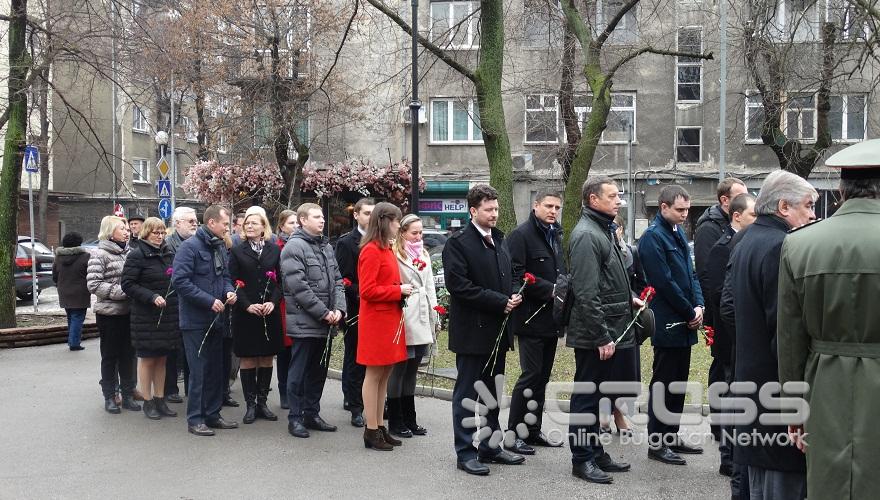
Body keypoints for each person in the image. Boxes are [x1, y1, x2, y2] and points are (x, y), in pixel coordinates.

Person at [777, 140, 880, 500]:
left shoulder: (799, 244)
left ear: (840, 189)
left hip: (823, 385)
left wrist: (793, 407)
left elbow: (790, 338)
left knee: (828, 485)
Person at [726, 170, 816, 499]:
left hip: (752, 383)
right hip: (775, 392)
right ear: (783, 206)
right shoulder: (782, 246)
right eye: (807, 205)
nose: (812, 214)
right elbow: (785, 331)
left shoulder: (748, 238)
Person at [443, 184, 525, 476]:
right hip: (472, 333)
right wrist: (499, 301)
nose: (494, 214)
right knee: (467, 394)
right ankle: (465, 452)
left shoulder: (498, 239)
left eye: (496, 208)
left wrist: (514, 293)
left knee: (491, 393)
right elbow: (459, 286)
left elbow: (509, 274)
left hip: (498, 332)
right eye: (489, 209)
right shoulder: (459, 242)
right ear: (473, 210)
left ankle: (490, 446)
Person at [566, 177, 637, 484]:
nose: (618, 200)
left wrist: (627, 298)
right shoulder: (586, 234)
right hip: (596, 333)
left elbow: (607, 280)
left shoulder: (602, 229)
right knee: (586, 396)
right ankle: (582, 459)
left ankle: (595, 453)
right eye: (612, 195)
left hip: (610, 324)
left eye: (618, 195)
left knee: (597, 396)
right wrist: (601, 335)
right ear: (594, 200)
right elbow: (585, 292)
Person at [638, 185, 705, 465]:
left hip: (686, 319)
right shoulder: (653, 237)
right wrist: (690, 310)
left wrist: (699, 305)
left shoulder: (678, 233)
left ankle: (671, 433)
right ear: (663, 207)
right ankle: (658, 441)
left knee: (678, 382)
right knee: (664, 382)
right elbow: (663, 282)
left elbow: (691, 275)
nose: (684, 214)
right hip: (668, 320)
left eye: (687, 210)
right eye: (680, 210)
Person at [504, 191, 566, 455]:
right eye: (548, 206)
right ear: (536, 206)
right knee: (529, 376)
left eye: (557, 207)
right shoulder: (521, 235)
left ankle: (532, 430)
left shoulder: (555, 235)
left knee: (542, 378)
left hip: (551, 319)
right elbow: (516, 274)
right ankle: (513, 434)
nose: (553, 211)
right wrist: (550, 289)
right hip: (530, 318)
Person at [173, 204, 239, 437]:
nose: (227, 227)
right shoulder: (189, 248)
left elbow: (226, 277)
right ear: (211, 223)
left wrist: (229, 292)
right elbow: (180, 282)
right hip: (195, 321)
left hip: (216, 319)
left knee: (215, 370)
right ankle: (195, 419)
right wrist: (209, 300)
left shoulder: (219, 246)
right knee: (199, 371)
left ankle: (213, 414)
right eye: (224, 223)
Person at [703, 192, 756, 478]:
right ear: (737, 216)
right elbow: (719, 295)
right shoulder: (724, 246)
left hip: (735, 337)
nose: (757, 221)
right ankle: (728, 457)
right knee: (730, 394)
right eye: (752, 215)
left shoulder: (742, 242)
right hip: (728, 337)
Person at [281, 202, 345, 438]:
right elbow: (299, 288)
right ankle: (295, 418)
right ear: (303, 220)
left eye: (322, 217)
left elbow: (338, 280)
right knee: (298, 373)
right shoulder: (293, 247)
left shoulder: (326, 247)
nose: (322, 220)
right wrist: (324, 312)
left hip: (326, 322)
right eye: (316, 217)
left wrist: (338, 309)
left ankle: (312, 413)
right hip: (305, 323)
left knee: (318, 372)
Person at [694, 178, 748, 441]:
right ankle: (719, 424)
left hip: (725, 310)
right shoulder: (709, 227)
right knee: (721, 367)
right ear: (725, 201)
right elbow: (708, 274)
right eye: (739, 196)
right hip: (717, 313)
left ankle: (725, 425)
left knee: (728, 367)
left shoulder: (729, 225)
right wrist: (711, 317)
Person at [355, 202, 409, 450]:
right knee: (375, 374)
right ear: (385, 221)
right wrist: (398, 291)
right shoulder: (371, 250)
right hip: (377, 320)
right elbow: (367, 290)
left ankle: (378, 426)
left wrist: (400, 292)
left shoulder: (386, 249)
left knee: (385, 374)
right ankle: (371, 429)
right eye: (397, 220)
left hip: (389, 318)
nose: (400, 225)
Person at [121, 217, 180, 420]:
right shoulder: (137, 256)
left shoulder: (168, 254)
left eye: (163, 232)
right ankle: (147, 401)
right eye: (156, 233)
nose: (160, 236)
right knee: (147, 359)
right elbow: (127, 284)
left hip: (167, 315)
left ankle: (160, 398)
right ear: (146, 233)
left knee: (162, 359)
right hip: (146, 316)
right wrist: (151, 297)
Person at [228, 208, 283, 425]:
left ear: (264, 227)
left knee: (267, 356)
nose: (249, 226)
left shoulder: (274, 250)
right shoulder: (237, 250)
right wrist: (247, 305)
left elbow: (281, 280)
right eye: (247, 223)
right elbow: (232, 280)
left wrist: (273, 301)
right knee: (249, 357)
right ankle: (250, 405)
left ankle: (262, 402)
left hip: (269, 310)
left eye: (254, 223)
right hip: (246, 312)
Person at [387, 213, 439, 439]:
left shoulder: (425, 253)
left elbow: (430, 287)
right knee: (399, 368)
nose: (419, 237)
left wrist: (436, 315)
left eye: (421, 233)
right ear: (403, 232)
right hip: (404, 313)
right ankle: (395, 419)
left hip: (422, 315)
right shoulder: (394, 253)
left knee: (413, 369)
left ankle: (410, 418)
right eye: (414, 233)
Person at [87, 215, 139, 414]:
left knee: (128, 355)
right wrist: (122, 292)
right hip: (109, 314)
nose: (127, 231)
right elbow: (94, 284)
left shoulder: (130, 253)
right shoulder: (99, 254)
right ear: (110, 232)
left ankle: (127, 394)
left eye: (127, 229)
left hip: (130, 312)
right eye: (122, 228)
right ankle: (109, 396)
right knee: (110, 356)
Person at [335, 198, 374, 428]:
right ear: (356, 215)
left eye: (373, 213)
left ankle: (369, 400)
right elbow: (343, 279)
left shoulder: (381, 240)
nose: (370, 217)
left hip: (376, 308)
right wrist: (362, 292)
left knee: (372, 359)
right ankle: (354, 403)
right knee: (355, 357)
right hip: (356, 308)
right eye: (366, 213)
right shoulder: (347, 242)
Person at [164, 206, 198, 404]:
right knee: (173, 347)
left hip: (194, 301)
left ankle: (191, 390)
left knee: (190, 351)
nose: (195, 224)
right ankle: (170, 389)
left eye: (195, 220)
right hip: (174, 301)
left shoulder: (198, 243)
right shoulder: (169, 245)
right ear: (177, 224)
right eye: (190, 221)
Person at [274, 209, 298, 409]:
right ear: (281, 226)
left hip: (301, 304)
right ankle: (284, 391)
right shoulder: (277, 247)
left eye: (298, 223)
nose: (296, 227)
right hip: (284, 304)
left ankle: (297, 390)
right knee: (285, 351)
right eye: (291, 223)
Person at [53, 232, 91, 351]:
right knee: (78, 317)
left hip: (64, 291)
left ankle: (72, 340)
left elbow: (54, 275)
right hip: (80, 292)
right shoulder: (85, 257)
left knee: (70, 316)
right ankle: (74, 342)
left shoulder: (58, 258)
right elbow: (90, 274)